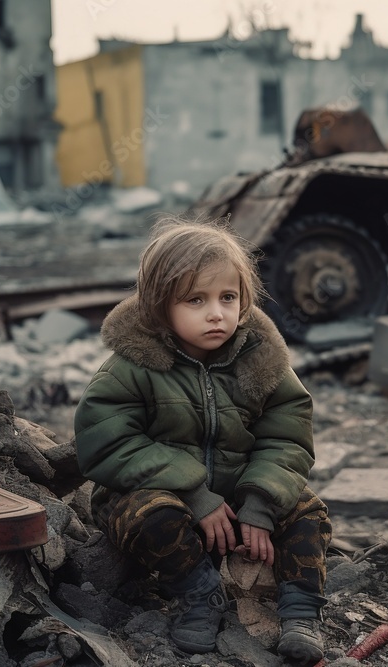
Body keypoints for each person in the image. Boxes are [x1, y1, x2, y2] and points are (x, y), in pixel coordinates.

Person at [74, 217, 331, 661]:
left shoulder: (262, 361)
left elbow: (288, 437)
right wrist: (194, 493)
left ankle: (301, 611)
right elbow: (107, 442)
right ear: (159, 306)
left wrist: (260, 504)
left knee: (308, 510)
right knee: (148, 513)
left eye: (228, 297)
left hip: (237, 500)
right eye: (196, 299)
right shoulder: (132, 367)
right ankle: (198, 593)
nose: (217, 313)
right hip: (167, 499)